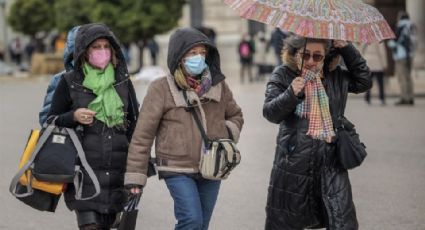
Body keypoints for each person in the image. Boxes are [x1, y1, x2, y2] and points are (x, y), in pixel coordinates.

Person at [124, 27, 244, 230]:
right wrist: (136, 177)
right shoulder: (161, 88)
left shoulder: (218, 85)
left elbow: (236, 115)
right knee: (191, 220)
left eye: (203, 53)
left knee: (202, 225)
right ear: (179, 56)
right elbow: (142, 135)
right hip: (176, 167)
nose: (199, 57)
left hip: (212, 167)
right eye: (193, 53)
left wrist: (225, 134)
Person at [263, 35, 371, 230]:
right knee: (287, 221)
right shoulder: (283, 75)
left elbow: (364, 81)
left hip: (331, 162)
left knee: (341, 221)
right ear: (295, 54)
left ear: (326, 57)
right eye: (306, 55)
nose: (311, 61)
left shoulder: (336, 76)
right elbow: (270, 113)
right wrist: (291, 94)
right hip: (294, 162)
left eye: (317, 56)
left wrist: (347, 49)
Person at [48, 23, 140, 230]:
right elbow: (50, 121)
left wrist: (138, 169)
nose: (102, 51)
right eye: (95, 47)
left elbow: (136, 126)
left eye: (106, 46)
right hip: (83, 174)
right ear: (83, 51)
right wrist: (73, 116)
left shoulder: (122, 82)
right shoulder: (70, 82)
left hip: (118, 173)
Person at [39, 26, 80, 126]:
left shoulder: (114, 79)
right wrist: (73, 117)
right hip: (72, 140)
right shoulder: (61, 79)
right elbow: (46, 120)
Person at [388, 11, 416, 105]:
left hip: (401, 55)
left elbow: (394, 41)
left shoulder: (401, 26)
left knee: (402, 77)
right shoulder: (412, 26)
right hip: (410, 54)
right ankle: (410, 97)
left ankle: (404, 98)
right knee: (408, 77)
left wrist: (390, 43)